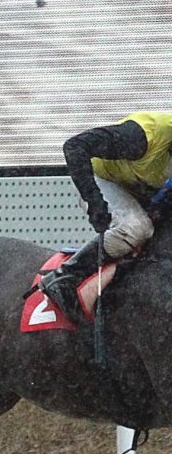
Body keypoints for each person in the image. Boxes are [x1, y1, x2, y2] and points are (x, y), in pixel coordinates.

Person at [38, 112, 172, 323]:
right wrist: (94, 201)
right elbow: (75, 147)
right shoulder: (142, 136)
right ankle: (65, 276)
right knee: (137, 228)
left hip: (139, 188)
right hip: (103, 182)